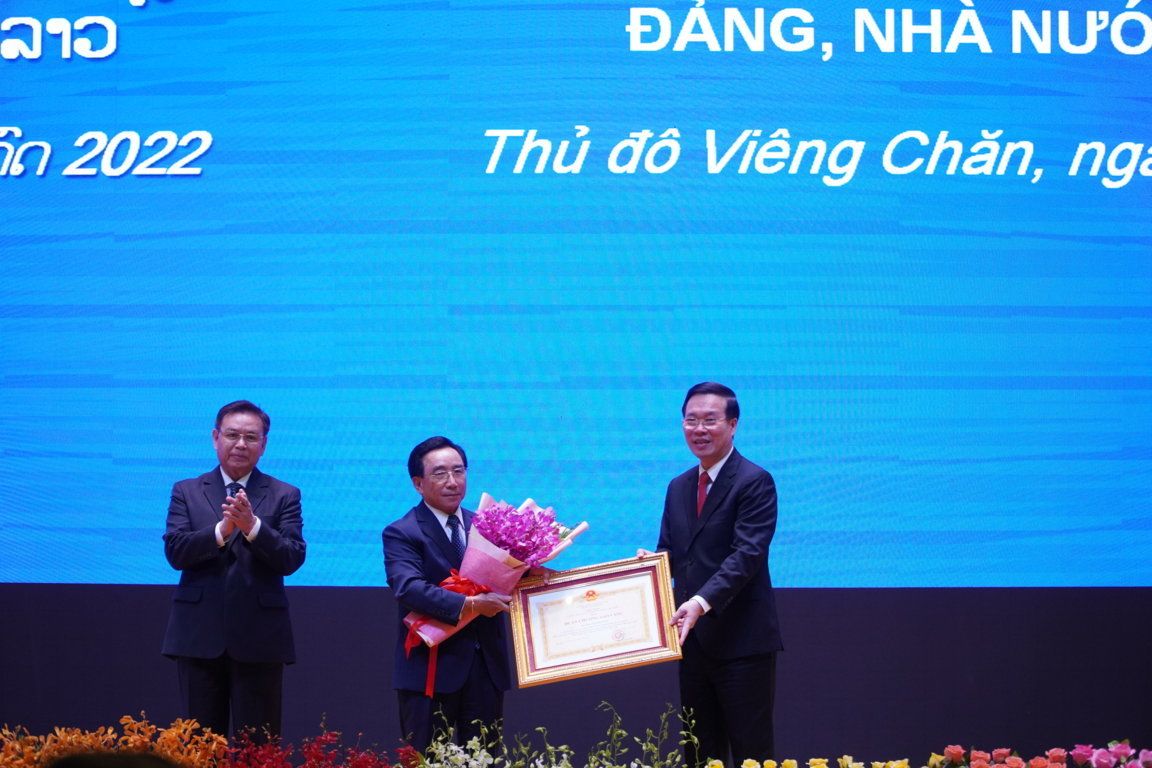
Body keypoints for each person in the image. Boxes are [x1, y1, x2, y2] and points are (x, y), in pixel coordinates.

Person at [648, 382, 782, 767]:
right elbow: (672, 553)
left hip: (742, 643)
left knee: (751, 754)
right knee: (699, 752)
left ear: (733, 424)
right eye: (691, 420)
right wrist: (648, 568)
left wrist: (700, 602)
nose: (699, 429)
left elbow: (747, 555)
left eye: (710, 420)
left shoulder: (754, 481)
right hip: (692, 644)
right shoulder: (678, 486)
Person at [161, 400, 306, 740]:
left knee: (259, 747)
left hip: (260, 639)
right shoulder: (187, 491)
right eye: (232, 435)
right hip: (198, 636)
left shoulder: (285, 494)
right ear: (216, 438)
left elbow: (292, 557)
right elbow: (176, 551)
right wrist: (221, 531)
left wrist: (253, 526)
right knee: (199, 747)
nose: (241, 444)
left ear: (263, 444)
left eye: (250, 437)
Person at [383, 436, 512, 753]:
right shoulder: (402, 531)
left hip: (485, 669)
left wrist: (538, 574)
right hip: (430, 669)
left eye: (459, 471)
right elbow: (408, 588)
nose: (452, 481)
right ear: (418, 483)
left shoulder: (487, 526)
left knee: (484, 759)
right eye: (440, 473)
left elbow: (510, 575)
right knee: (427, 759)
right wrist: (471, 605)